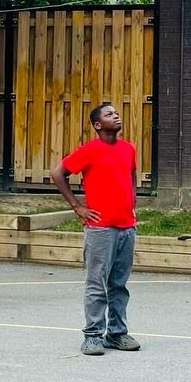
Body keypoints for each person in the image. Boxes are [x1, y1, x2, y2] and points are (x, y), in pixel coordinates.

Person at [50, 102, 141, 356]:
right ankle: (92, 335)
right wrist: (77, 206)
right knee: (97, 283)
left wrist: (132, 204)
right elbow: (58, 174)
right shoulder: (89, 150)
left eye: (117, 113)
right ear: (98, 125)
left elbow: (131, 176)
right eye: (110, 114)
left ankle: (117, 334)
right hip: (100, 228)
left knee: (119, 284)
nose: (116, 116)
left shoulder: (128, 149)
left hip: (126, 226)